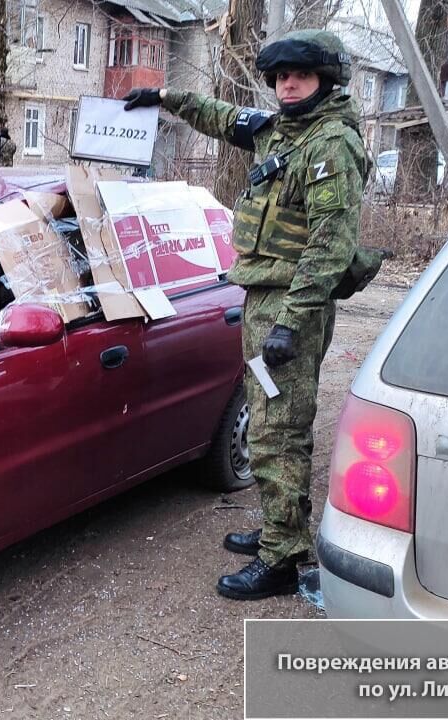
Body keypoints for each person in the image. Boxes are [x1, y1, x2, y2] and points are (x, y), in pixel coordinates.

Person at [122, 29, 368, 600]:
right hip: (263, 297)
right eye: (281, 77)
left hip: (290, 306)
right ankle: (284, 530)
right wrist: (163, 100)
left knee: (278, 432)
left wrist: (292, 323)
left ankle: (283, 559)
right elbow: (221, 116)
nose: (287, 85)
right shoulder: (283, 130)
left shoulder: (329, 144)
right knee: (268, 420)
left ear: (324, 81)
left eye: (299, 77)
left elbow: (329, 249)